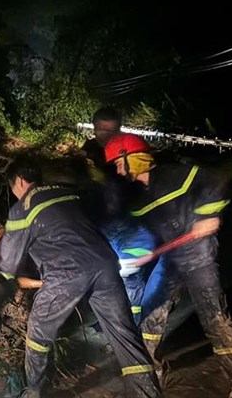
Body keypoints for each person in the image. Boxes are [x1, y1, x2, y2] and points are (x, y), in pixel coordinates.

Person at [0, 157, 161, 398]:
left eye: (13, 189)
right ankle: (149, 394)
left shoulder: (24, 208)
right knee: (124, 336)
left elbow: (8, 263)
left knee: (38, 333)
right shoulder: (68, 194)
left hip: (66, 273)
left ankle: (33, 392)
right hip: (106, 265)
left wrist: (1, 279)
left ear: (19, 181)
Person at [104, 133, 232, 398]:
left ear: (133, 158)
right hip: (171, 260)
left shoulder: (177, 175)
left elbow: (216, 182)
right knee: (149, 318)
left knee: (215, 321)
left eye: (118, 163)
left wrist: (209, 214)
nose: (117, 170)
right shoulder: (137, 198)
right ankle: (152, 375)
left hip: (199, 257)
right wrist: (141, 251)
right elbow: (143, 230)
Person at [81, 107, 162, 323]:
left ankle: (134, 321)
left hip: (128, 219)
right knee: (110, 272)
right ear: (94, 128)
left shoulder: (129, 151)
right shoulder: (88, 151)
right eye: (101, 131)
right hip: (103, 220)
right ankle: (114, 317)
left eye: (111, 131)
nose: (106, 136)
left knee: (132, 275)